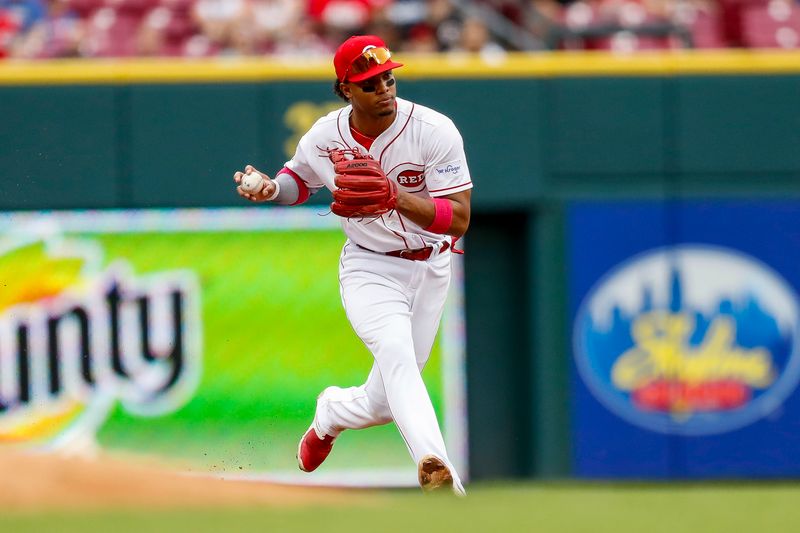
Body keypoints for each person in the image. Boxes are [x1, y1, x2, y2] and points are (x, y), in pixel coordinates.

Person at [233, 34, 472, 495]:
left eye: (387, 76)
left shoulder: (434, 130)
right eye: (369, 82)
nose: (383, 87)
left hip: (433, 267)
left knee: (384, 401)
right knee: (397, 355)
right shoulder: (325, 136)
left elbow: (458, 219)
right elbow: (296, 182)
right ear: (345, 89)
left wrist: (396, 196)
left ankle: (332, 413)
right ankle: (439, 471)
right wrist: (269, 189)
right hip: (371, 267)